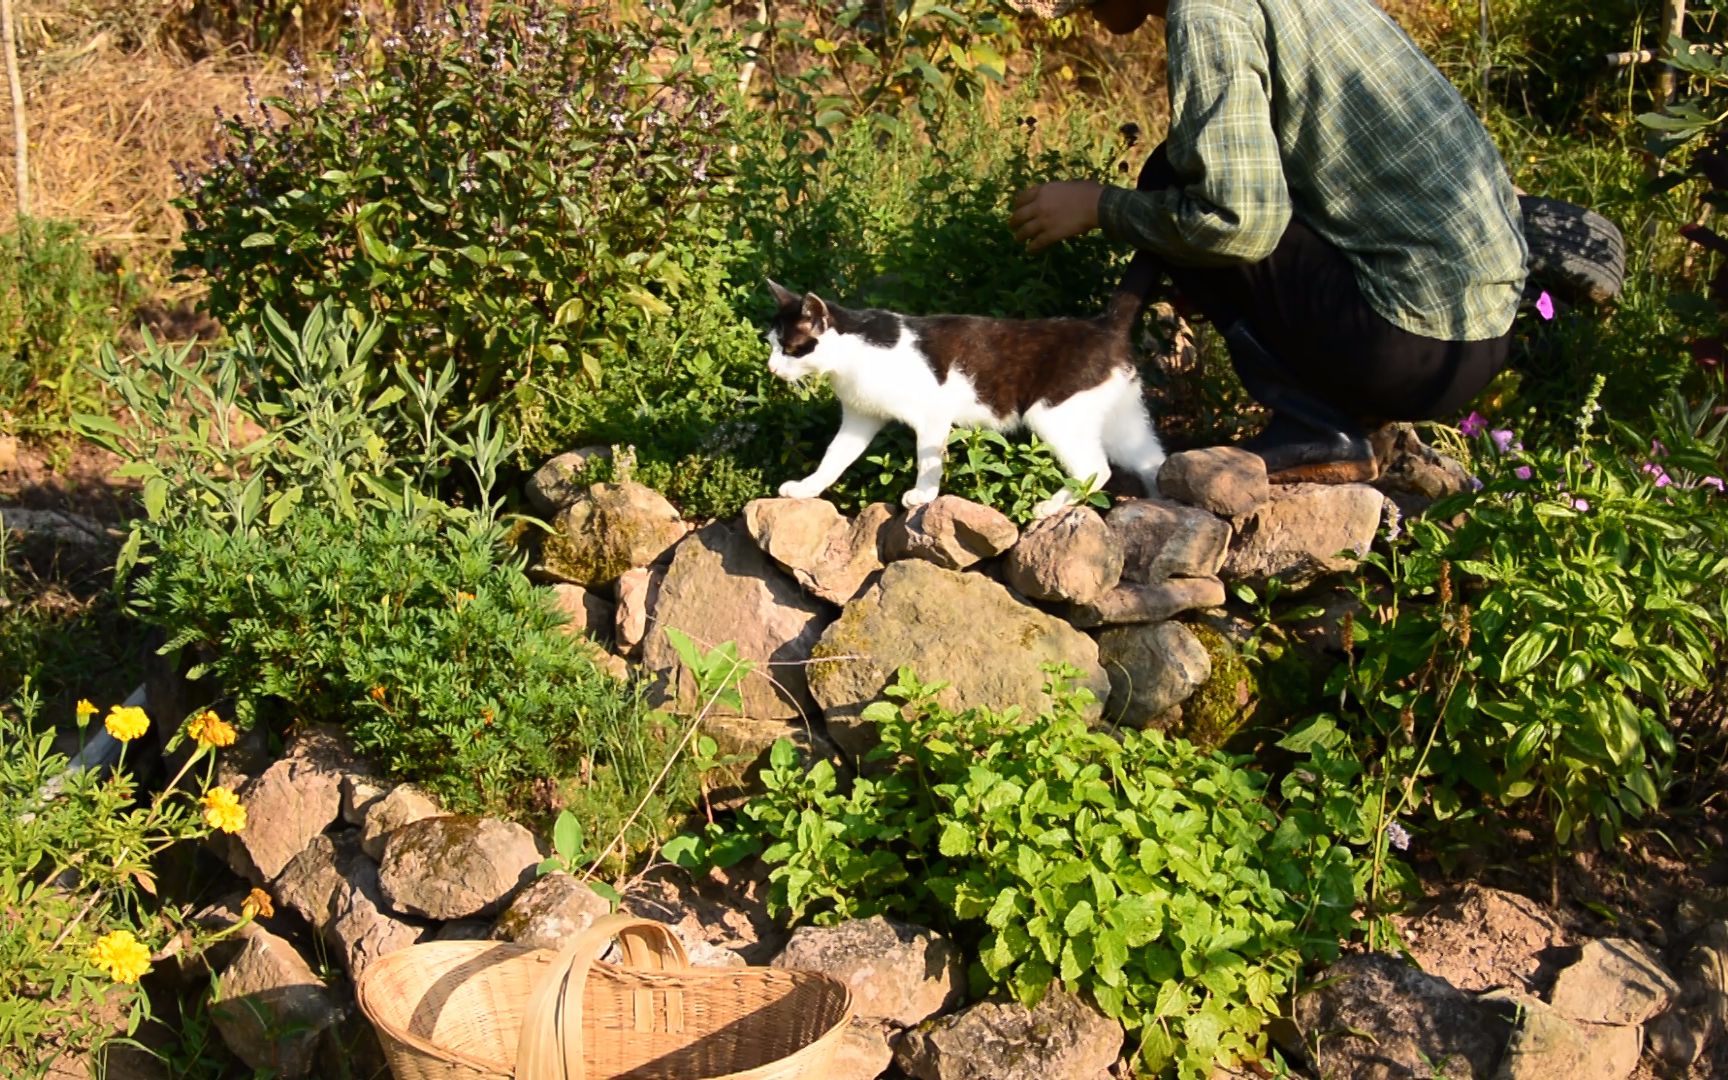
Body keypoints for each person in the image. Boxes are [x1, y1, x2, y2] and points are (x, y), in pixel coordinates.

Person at [1006, 0, 1529, 482]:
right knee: (1182, 168)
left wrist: (1101, 206)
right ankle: (1344, 413)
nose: (1086, 15)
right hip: (1477, 332)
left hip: (1407, 345)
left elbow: (1239, 222)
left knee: (1172, 183)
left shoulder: (1206, 13)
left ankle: (1318, 428)